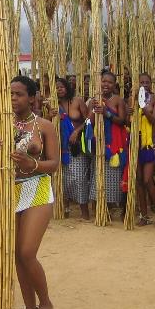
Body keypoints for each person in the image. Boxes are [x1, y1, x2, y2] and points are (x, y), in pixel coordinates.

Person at [0, 75, 57, 309]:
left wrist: (33, 164)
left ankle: (46, 302)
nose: (13, 98)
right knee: (16, 255)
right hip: (12, 191)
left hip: (38, 188)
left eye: (18, 94)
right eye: (9, 94)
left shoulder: (44, 126)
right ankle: (29, 308)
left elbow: (54, 164)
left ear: (31, 98)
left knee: (27, 252)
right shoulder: (2, 126)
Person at [87, 71, 128, 217]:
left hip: (115, 145)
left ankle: (111, 209)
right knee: (98, 176)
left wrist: (107, 113)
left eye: (109, 82)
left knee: (114, 178)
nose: (106, 84)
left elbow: (123, 121)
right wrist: (95, 109)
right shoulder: (94, 100)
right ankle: (99, 210)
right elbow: (89, 122)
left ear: (114, 85)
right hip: (99, 143)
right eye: (104, 81)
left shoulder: (118, 100)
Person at [55, 77, 91, 220]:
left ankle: (85, 212)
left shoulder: (77, 101)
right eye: (57, 88)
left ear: (67, 87)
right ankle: (65, 209)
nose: (59, 90)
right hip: (60, 146)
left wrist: (77, 131)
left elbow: (88, 120)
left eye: (61, 87)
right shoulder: (52, 104)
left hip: (77, 146)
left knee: (79, 178)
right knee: (63, 179)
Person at [136, 73, 155, 227]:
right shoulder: (133, 98)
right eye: (142, 82)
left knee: (148, 180)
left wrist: (143, 107)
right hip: (137, 144)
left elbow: (153, 119)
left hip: (151, 144)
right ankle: (144, 215)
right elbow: (129, 120)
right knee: (140, 182)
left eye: (147, 82)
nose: (145, 84)